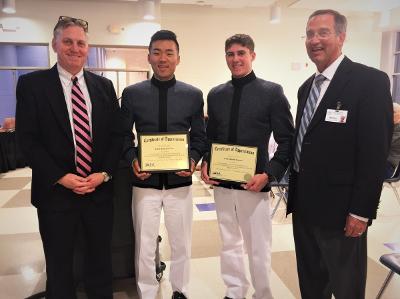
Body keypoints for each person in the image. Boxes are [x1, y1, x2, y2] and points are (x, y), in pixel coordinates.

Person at [287, 9, 393, 299]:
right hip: (305, 207)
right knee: (311, 284)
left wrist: (361, 211)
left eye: (323, 33)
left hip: (342, 212)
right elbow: (304, 143)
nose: (314, 40)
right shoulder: (306, 87)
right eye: (309, 34)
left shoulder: (369, 82)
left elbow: (374, 153)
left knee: (347, 287)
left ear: (342, 37)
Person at [15, 16, 123, 299]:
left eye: (81, 43)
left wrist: (105, 174)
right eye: (68, 42)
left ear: (88, 48)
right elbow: (27, 140)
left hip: (98, 191)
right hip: (55, 194)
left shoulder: (104, 87)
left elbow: (117, 137)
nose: (75, 48)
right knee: (60, 266)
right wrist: (61, 177)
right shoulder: (32, 85)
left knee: (100, 262)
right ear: (55, 44)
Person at [201, 34, 294, 299]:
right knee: (229, 242)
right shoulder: (216, 94)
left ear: (252, 55)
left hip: (255, 182)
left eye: (241, 53)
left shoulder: (271, 92)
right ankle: (234, 291)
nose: (235, 59)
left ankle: (262, 294)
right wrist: (207, 161)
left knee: (258, 245)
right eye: (230, 54)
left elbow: (287, 139)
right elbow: (211, 137)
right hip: (222, 182)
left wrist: (270, 173)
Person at [121, 30, 207, 299]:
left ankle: (180, 290)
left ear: (178, 58)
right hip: (144, 182)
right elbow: (124, 135)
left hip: (179, 183)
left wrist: (193, 159)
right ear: (148, 57)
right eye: (157, 52)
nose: (163, 58)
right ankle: (147, 292)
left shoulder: (193, 95)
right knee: (144, 244)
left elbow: (200, 137)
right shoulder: (132, 94)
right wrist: (132, 158)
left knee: (181, 243)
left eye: (169, 53)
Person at [386, 102, 400, 178]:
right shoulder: (393, 126)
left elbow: (386, 143)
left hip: (389, 165)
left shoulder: (398, 128)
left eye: (393, 112)